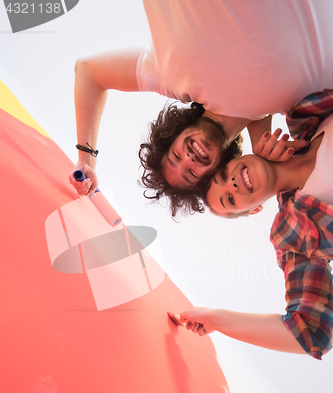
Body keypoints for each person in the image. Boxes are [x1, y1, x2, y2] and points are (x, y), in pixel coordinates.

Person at [70, 0, 333, 215]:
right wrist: (261, 159)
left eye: (175, 157)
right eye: (191, 175)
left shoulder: (171, 77)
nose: (189, 160)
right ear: (217, 171)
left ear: (174, 134)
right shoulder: (290, 105)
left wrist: (85, 159)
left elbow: (89, 72)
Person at [179, 98, 333, 360]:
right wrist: (214, 318)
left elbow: (256, 88)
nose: (233, 184)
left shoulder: (304, 118)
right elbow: (311, 332)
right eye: (230, 199)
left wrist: (259, 137)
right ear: (253, 211)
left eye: (224, 175)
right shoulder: (295, 231)